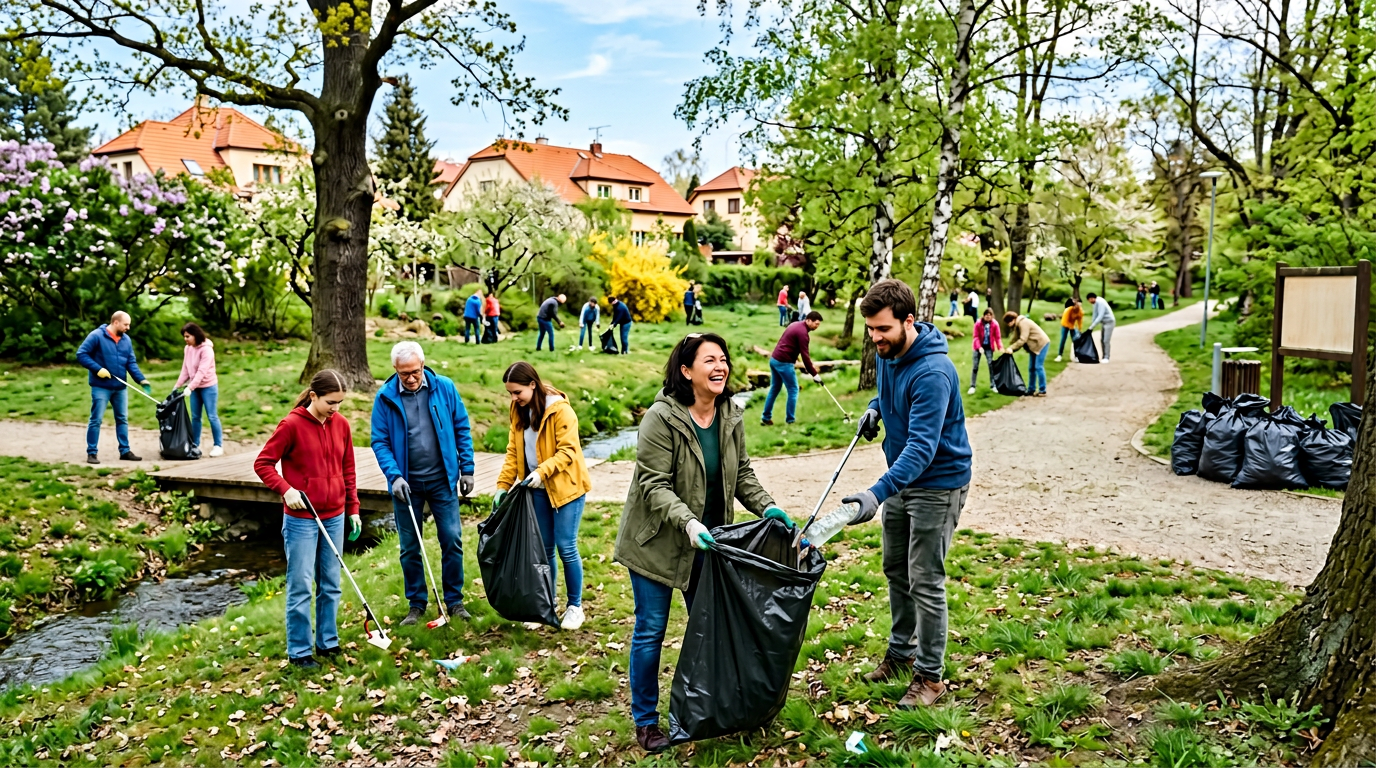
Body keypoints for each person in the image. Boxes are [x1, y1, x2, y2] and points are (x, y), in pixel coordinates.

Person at [613, 332, 794, 752]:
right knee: (651, 630)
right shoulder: (661, 418)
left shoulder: (730, 412)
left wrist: (767, 507)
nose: (720, 366)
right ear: (686, 370)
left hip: (709, 544)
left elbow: (742, 474)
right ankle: (646, 721)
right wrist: (689, 523)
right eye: (709, 360)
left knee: (711, 629)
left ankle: (714, 708)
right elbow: (653, 486)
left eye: (723, 359)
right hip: (655, 540)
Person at [838, 279, 972, 710]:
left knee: (925, 579)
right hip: (903, 478)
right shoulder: (890, 355)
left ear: (908, 322)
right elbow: (891, 392)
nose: (875, 337)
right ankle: (901, 653)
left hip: (937, 482)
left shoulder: (933, 373)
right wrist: (876, 407)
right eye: (871, 329)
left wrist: (876, 492)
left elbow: (922, 447)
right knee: (895, 567)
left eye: (883, 329)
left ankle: (930, 677)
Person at [253, 369, 362, 669]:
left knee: (331, 583)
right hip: (302, 519)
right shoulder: (291, 425)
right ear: (313, 396)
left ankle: (327, 643)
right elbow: (263, 464)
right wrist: (285, 489)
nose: (335, 409)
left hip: (335, 515)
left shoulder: (340, 424)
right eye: (330, 402)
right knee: (301, 583)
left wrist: (353, 508)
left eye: (340, 402)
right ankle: (299, 651)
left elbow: (348, 470)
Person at [370, 341, 477, 625]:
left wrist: (467, 469)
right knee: (409, 546)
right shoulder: (385, 397)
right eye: (404, 373)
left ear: (423, 364)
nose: (411, 378)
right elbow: (379, 442)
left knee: (452, 539)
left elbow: (461, 427)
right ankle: (416, 604)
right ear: (395, 370)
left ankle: (454, 601)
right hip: (406, 485)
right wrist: (394, 476)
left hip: (442, 479)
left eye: (415, 371)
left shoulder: (444, 387)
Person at [494, 362, 592, 630]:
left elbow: (568, 451)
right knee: (544, 549)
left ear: (532, 385)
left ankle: (575, 607)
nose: (513, 398)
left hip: (566, 488)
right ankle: (546, 604)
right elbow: (513, 451)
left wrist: (541, 472)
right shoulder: (518, 410)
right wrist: (502, 485)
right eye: (510, 394)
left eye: (517, 392)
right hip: (536, 489)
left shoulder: (561, 411)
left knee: (566, 546)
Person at [76, 311, 151, 464]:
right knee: (96, 420)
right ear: (116, 322)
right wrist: (98, 369)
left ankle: (125, 451)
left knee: (122, 419)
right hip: (101, 387)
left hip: (120, 387)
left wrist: (141, 379)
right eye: (126, 324)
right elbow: (82, 354)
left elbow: (131, 362)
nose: (128, 328)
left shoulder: (126, 340)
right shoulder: (96, 336)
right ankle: (92, 453)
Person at [762, 311, 823, 426]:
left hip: (774, 359)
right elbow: (805, 356)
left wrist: (797, 360)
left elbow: (791, 346)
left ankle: (766, 417)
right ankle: (790, 420)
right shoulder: (803, 334)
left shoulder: (795, 325)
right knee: (793, 389)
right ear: (808, 320)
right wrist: (814, 374)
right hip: (783, 363)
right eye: (816, 324)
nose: (817, 327)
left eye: (818, 325)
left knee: (775, 388)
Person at [175, 322, 223, 457]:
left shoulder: (207, 350)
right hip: (194, 388)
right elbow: (185, 369)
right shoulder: (188, 349)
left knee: (212, 416)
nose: (185, 339)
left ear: (195, 335)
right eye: (184, 337)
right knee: (195, 417)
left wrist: (190, 387)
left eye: (187, 336)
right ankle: (194, 444)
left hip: (208, 387)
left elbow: (201, 372)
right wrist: (177, 386)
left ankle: (218, 445)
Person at [1004, 310, 1051, 396]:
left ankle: (1042, 390)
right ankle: (1031, 389)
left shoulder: (1023, 323)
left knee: (1038, 366)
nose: (1008, 325)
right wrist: (1008, 348)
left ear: (1013, 320)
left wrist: (1011, 348)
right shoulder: (1018, 325)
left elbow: (1023, 339)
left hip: (1041, 344)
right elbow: (1015, 338)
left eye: (1009, 322)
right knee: (1031, 368)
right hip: (1033, 346)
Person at [968, 308, 1001, 394]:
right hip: (978, 347)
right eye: (986, 315)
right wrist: (979, 347)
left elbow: (997, 337)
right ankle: (972, 386)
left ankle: (993, 385)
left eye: (990, 315)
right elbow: (976, 337)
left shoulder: (995, 324)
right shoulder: (978, 324)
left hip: (989, 347)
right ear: (984, 315)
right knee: (975, 366)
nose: (988, 317)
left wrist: (1000, 347)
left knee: (991, 365)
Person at [1086, 292, 1116, 362]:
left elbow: (1100, 316)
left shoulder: (1100, 302)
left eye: (1090, 300)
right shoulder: (1095, 303)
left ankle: (1107, 357)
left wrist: (1091, 327)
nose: (1090, 302)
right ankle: (1103, 357)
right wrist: (1091, 327)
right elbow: (1095, 314)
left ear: (1092, 298)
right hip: (1104, 323)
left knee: (1106, 340)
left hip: (1109, 322)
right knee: (1102, 340)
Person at [1054, 298, 1083, 363]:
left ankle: (1076, 356)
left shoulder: (1080, 311)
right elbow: (1065, 321)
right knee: (1063, 339)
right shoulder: (1068, 310)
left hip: (1072, 326)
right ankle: (1059, 355)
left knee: (1076, 340)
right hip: (1065, 325)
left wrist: (1079, 330)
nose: (1078, 307)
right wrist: (1071, 327)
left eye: (1079, 306)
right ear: (1074, 305)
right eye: (1076, 305)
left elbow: (1080, 321)